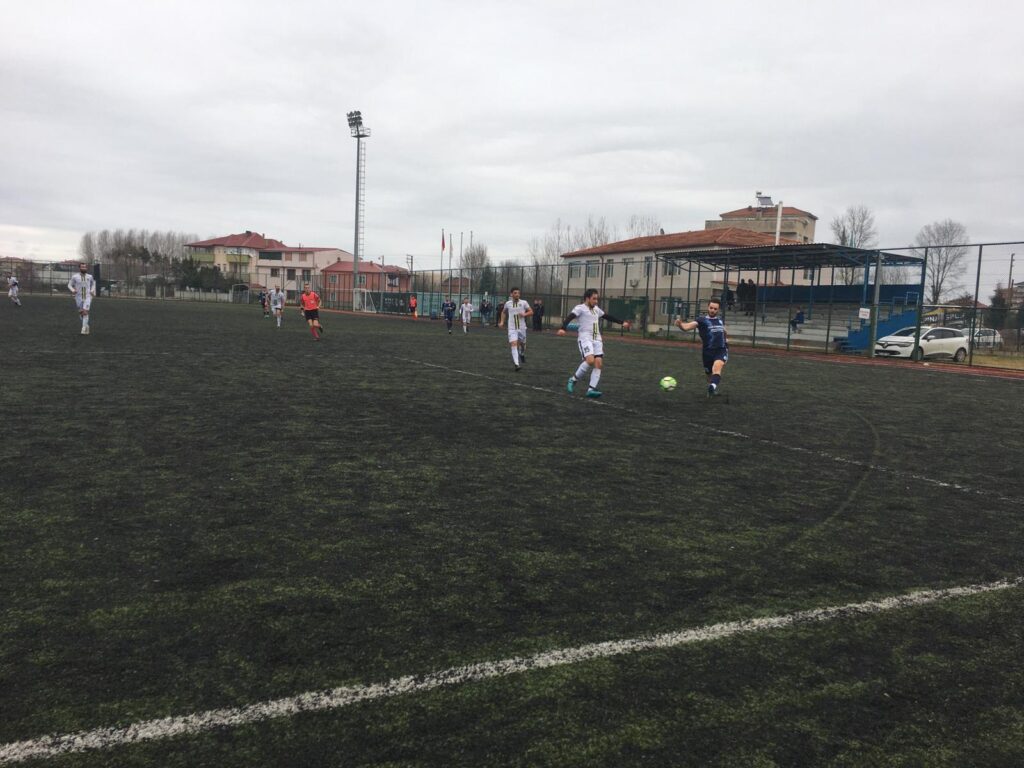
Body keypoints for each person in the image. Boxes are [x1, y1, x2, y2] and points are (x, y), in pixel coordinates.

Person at [558, 288, 631, 398]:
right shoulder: (580, 308)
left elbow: (607, 316)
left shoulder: (596, 309)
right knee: (590, 360)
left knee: (598, 363)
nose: (596, 301)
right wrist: (563, 328)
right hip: (585, 338)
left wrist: (622, 323)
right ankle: (573, 379)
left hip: (597, 339)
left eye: (597, 299)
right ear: (587, 298)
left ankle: (591, 389)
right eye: (594, 299)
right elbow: (570, 317)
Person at [675, 297, 729, 397]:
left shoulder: (720, 321)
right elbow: (687, 327)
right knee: (709, 375)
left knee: (717, 368)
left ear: (718, 310)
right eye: (711, 308)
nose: (713, 310)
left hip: (720, 350)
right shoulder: (701, 320)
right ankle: (711, 387)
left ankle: (712, 387)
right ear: (708, 307)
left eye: (715, 309)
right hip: (707, 352)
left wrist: (726, 343)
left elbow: (724, 332)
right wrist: (680, 325)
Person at [498, 287, 533, 371]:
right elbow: (503, 312)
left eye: (518, 293)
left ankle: (522, 353)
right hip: (512, 328)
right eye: (515, 293)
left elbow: (531, 312)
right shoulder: (508, 303)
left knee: (522, 345)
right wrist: (502, 322)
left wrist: (524, 314)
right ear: (511, 294)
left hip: (522, 328)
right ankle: (517, 364)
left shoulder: (524, 302)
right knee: (513, 344)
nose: (517, 294)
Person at [68, 262, 97, 335]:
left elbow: (93, 284)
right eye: (82, 267)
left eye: (85, 267)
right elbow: (69, 285)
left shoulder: (90, 276)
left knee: (85, 312)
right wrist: (73, 290)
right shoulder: (75, 277)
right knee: (81, 313)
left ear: (86, 268)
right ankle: (86, 326)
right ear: (80, 268)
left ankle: (83, 328)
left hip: (87, 296)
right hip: (78, 297)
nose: (84, 268)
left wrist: (92, 290)